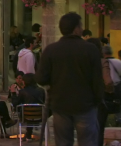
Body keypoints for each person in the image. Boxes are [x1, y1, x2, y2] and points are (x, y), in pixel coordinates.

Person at [36, 12, 103, 146]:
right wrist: (98, 99)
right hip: (85, 104)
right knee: (88, 141)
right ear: (76, 29)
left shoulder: (51, 50)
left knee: (63, 142)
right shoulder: (90, 49)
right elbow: (97, 79)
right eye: (81, 26)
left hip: (60, 104)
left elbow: (41, 78)